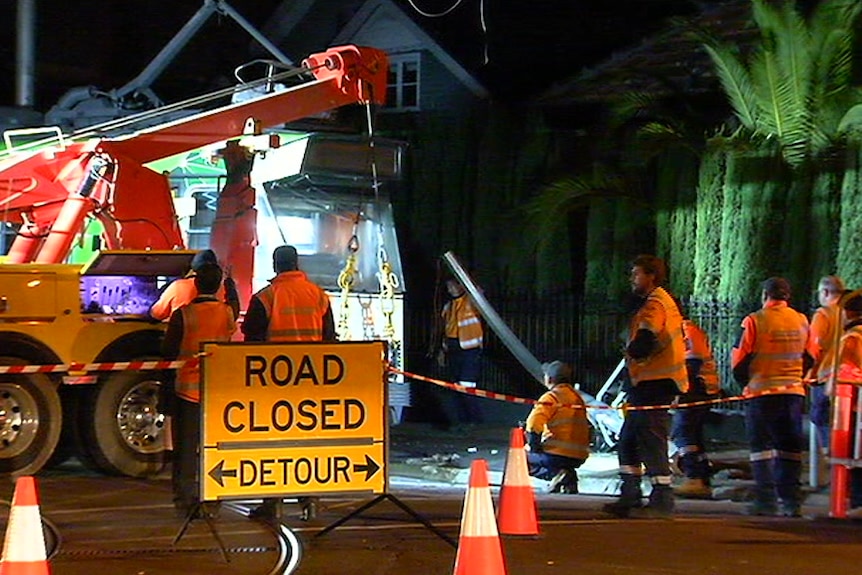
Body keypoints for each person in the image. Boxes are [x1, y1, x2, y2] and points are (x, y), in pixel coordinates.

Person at [242, 245, 336, 520]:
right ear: (296, 264)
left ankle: (272, 502)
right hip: (311, 381)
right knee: (306, 442)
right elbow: (329, 339)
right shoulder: (319, 296)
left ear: (275, 265)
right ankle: (310, 501)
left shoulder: (267, 297)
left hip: (275, 381)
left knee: (274, 443)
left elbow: (251, 342)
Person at [603, 255, 688, 518]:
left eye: (636, 273)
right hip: (648, 381)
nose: (632, 278)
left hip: (655, 382)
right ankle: (630, 494)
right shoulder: (659, 302)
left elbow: (645, 340)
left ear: (651, 276)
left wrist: (630, 350)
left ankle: (662, 498)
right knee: (628, 438)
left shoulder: (655, 304)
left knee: (651, 439)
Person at [161, 263, 237, 519]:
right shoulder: (227, 313)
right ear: (217, 286)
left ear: (196, 283)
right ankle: (210, 499)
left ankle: (185, 501)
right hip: (215, 393)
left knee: (185, 450)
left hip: (187, 391)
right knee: (211, 449)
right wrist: (231, 285)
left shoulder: (184, 315)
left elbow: (169, 353)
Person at [731, 277, 811, 517]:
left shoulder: (754, 320)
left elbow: (738, 361)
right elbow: (811, 356)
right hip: (793, 392)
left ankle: (765, 501)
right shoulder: (801, 320)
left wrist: (748, 383)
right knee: (790, 448)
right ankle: (791, 502)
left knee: (761, 448)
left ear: (765, 296)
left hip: (762, 392)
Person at [672, 316, 722, 499]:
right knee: (693, 436)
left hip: (697, 387)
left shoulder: (686, 330)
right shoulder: (682, 330)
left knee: (683, 432)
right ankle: (701, 477)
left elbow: (693, 361)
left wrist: (679, 390)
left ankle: (694, 477)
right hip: (698, 387)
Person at [524, 361, 590, 494]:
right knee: (560, 460)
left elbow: (533, 424)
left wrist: (533, 445)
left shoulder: (552, 397)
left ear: (549, 379)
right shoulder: (578, 398)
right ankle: (568, 477)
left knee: (520, 458)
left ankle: (556, 474)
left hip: (557, 453)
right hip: (579, 455)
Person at [807, 275, 845, 485]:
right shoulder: (846, 314)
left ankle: (831, 455)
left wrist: (807, 373)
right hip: (847, 379)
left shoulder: (823, 315)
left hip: (823, 378)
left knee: (819, 418)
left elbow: (814, 347)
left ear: (826, 293)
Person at [832, 292, 862, 518]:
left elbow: (842, 371)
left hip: (855, 406)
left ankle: (857, 502)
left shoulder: (852, 337)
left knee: (856, 456)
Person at [440, 277, 484, 425]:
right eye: (448, 287)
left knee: (466, 387)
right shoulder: (449, 306)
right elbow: (445, 329)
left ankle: (473, 421)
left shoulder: (470, 302)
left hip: (469, 350)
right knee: (455, 388)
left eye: (452, 286)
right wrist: (443, 349)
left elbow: (478, 294)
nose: (450, 290)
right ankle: (461, 421)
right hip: (453, 349)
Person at [150, 249, 239, 321]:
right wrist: (229, 283)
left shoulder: (177, 287)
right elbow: (234, 311)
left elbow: (157, 314)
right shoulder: (224, 295)